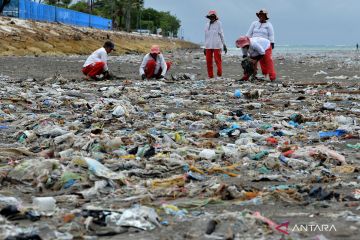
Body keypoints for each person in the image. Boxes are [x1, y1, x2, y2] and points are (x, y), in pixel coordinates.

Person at [204, 10, 227, 79]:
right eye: (210, 16)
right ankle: (210, 76)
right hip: (208, 46)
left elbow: (221, 34)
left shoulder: (219, 23)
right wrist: (205, 47)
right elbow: (206, 36)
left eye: (213, 16)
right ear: (209, 17)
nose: (212, 18)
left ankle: (219, 74)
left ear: (215, 17)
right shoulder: (207, 25)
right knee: (208, 62)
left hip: (217, 45)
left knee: (218, 60)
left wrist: (224, 44)